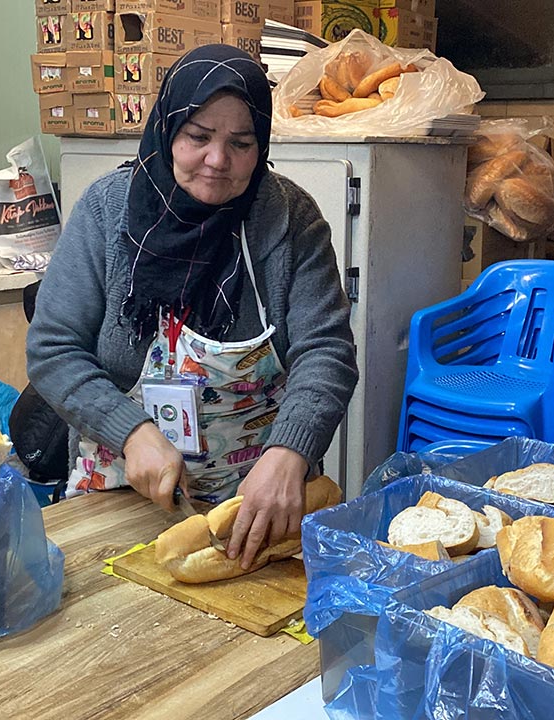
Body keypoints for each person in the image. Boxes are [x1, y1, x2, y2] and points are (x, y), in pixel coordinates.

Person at [27, 45, 357, 570]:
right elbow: (52, 350)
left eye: (241, 143)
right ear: (166, 129)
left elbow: (327, 351)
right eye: (198, 137)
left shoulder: (288, 218)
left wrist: (290, 453)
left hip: (257, 506)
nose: (218, 160)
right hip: (120, 493)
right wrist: (130, 431)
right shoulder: (107, 211)